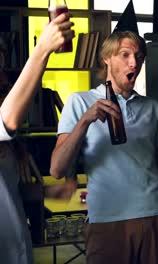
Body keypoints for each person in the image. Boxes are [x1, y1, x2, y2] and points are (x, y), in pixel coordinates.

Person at [49, 29, 158, 263]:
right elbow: (57, 169)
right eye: (125, 54)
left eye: (139, 57)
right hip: (107, 220)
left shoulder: (153, 108)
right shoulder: (80, 102)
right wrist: (85, 121)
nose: (134, 62)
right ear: (106, 58)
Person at [0, 13, 74, 264]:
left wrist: (49, 191)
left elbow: (11, 193)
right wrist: (42, 49)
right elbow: (8, 118)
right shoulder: (6, 121)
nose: (4, 79)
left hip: (18, 252)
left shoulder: (10, 145)